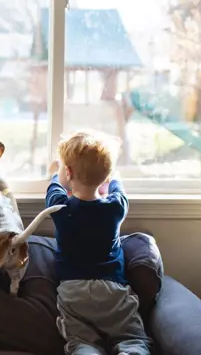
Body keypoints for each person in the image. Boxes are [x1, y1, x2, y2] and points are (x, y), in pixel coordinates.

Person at [46, 130, 152, 355]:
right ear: (105, 176)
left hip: (73, 290)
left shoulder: (61, 209)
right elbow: (119, 189)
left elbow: (53, 189)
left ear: (68, 171)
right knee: (131, 338)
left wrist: (55, 174)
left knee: (82, 342)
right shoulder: (115, 208)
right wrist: (113, 177)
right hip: (112, 289)